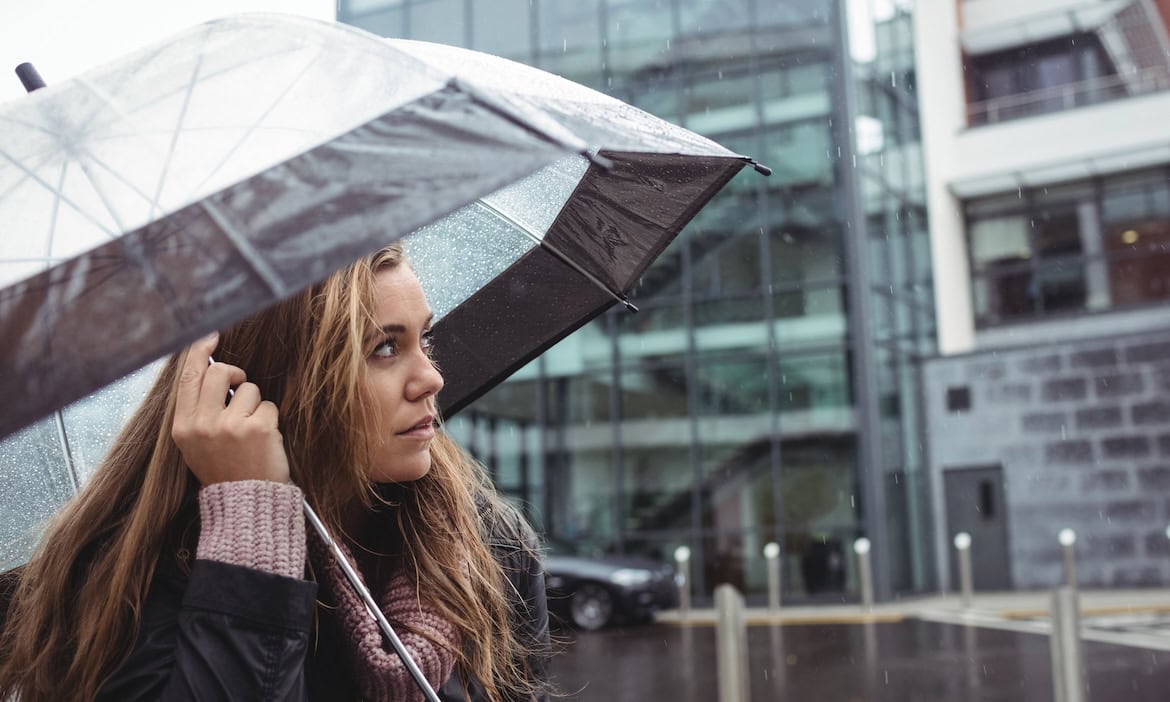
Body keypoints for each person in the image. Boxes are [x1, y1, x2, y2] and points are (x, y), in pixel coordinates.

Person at [0, 243, 550, 702]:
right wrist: (249, 524)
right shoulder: (131, 583)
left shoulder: (489, 549)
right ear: (266, 386)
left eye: (422, 339)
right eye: (384, 348)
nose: (430, 377)